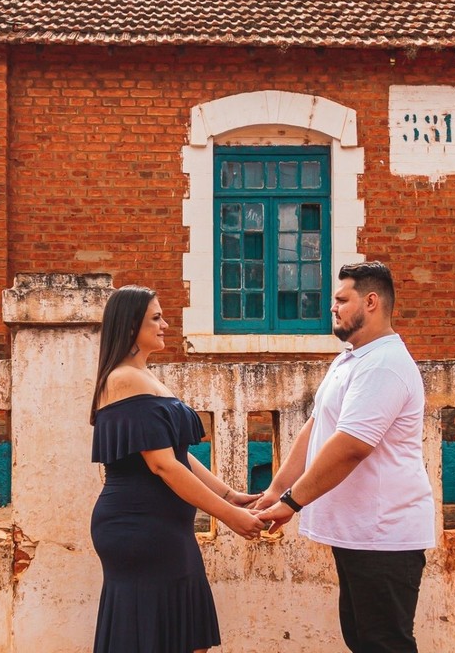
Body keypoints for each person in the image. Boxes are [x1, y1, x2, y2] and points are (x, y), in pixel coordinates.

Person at [254, 261, 435, 653]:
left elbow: (351, 446)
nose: (332, 308)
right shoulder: (351, 359)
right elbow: (316, 428)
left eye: (341, 299)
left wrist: (291, 504)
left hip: (384, 535)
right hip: (360, 534)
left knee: (385, 644)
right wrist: (276, 489)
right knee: (363, 640)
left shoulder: (385, 364)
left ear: (370, 302)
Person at [90, 285, 266, 653]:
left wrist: (230, 495)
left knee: (186, 636)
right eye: (155, 318)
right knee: (155, 640)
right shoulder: (124, 379)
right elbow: (163, 466)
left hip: (166, 529)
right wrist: (230, 517)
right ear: (130, 325)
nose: (165, 324)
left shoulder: (145, 377)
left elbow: (178, 454)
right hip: (139, 527)